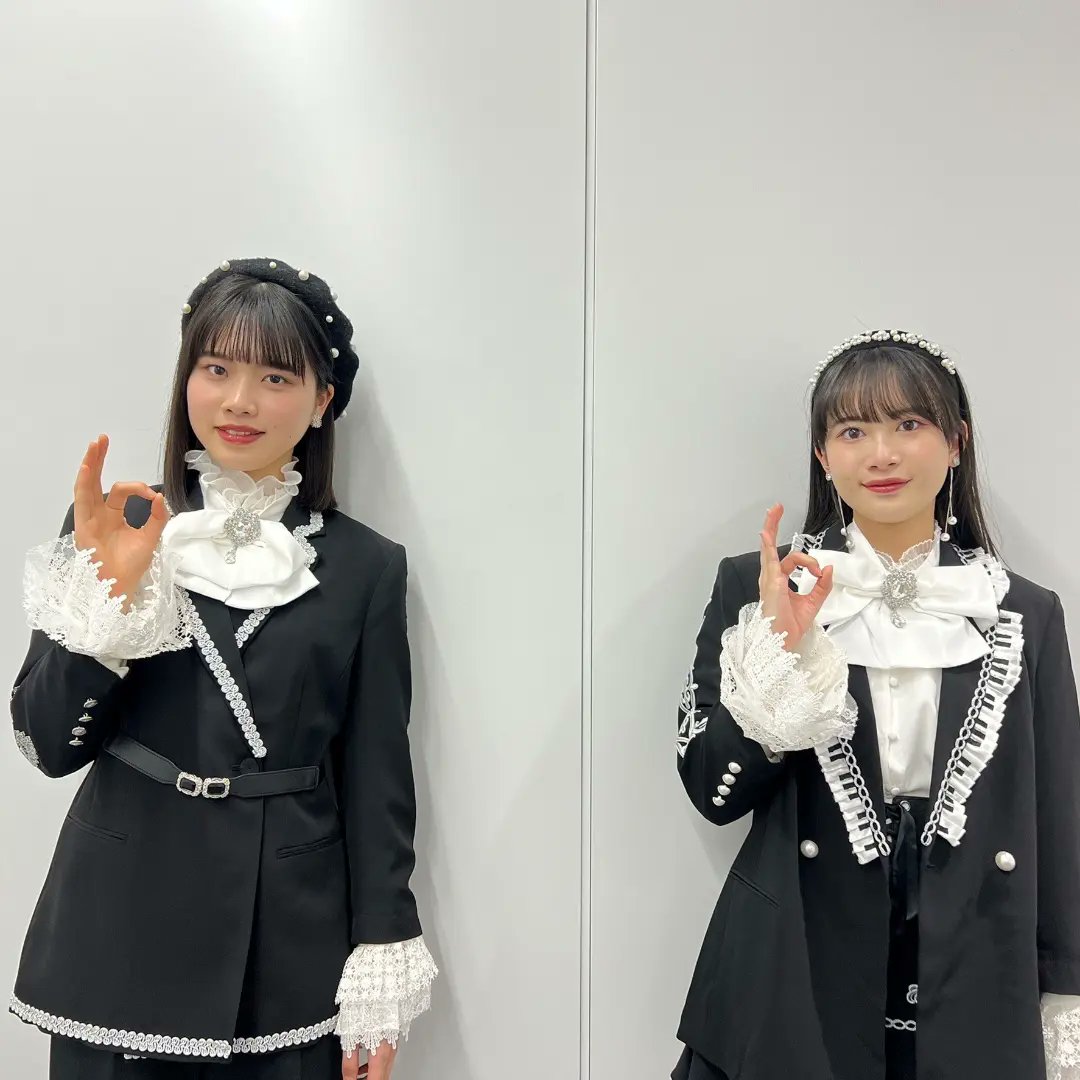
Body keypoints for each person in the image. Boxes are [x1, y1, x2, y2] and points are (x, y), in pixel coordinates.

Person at [9, 258, 437, 1080]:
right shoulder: (117, 522)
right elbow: (46, 745)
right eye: (215, 369)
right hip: (117, 928)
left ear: (322, 401)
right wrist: (106, 610)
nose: (239, 400)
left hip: (286, 952)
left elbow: (377, 773)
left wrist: (382, 953)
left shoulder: (367, 566)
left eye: (275, 377)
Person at [672, 330, 1080, 1079]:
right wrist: (781, 660)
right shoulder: (758, 587)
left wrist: (1065, 991)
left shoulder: (1026, 610)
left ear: (955, 443)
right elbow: (710, 791)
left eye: (908, 424)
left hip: (976, 967)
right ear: (823, 455)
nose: (881, 454)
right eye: (853, 431)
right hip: (792, 971)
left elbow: (1061, 817)